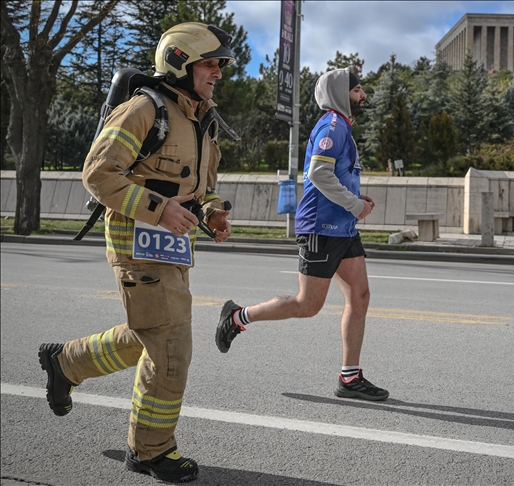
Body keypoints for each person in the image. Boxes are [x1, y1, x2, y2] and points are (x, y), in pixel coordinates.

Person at [37, 22, 235, 482]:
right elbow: (98, 174)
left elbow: (200, 188)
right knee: (170, 345)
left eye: (219, 64)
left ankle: (66, 363)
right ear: (179, 63)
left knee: (153, 332)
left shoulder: (202, 120)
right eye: (209, 63)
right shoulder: (145, 109)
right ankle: (150, 450)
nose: (217, 73)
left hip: (174, 247)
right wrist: (159, 210)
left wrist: (212, 213)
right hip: (136, 242)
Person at [215, 68, 389, 401]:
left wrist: (356, 199)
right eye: (357, 90)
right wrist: (355, 205)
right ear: (340, 93)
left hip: (342, 228)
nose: (363, 95)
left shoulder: (342, 127)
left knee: (360, 296)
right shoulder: (332, 126)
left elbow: (333, 176)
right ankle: (237, 317)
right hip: (322, 228)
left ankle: (350, 377)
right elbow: (319, 174)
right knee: (307, 305)